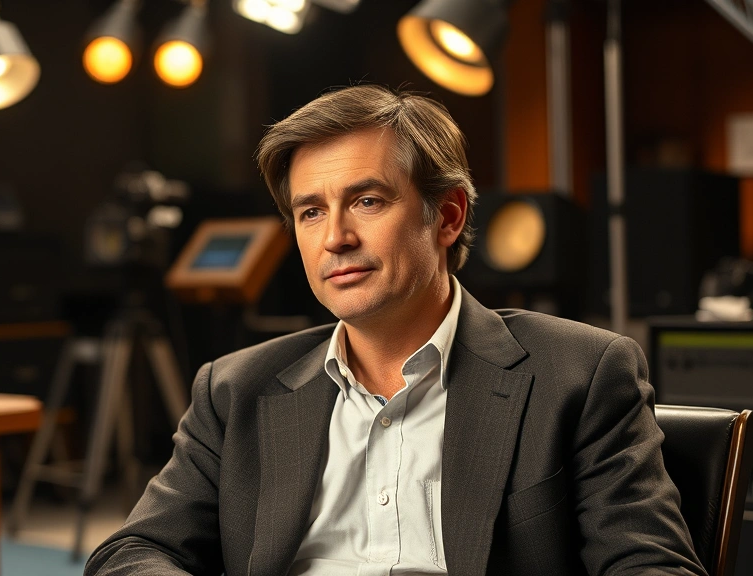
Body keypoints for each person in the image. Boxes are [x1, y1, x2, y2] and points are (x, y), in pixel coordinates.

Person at [85, 84, 707, 576]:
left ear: (448, 216)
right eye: (310, 212)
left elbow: (650, 566)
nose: (335, 238)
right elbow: (133, 552)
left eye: (367, 201)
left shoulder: (581, 375)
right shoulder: (232, 389)